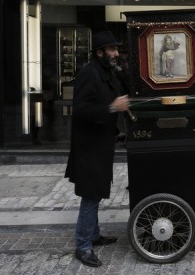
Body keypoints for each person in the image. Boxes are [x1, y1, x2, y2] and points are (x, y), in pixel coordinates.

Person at [64, 31, 130, 267]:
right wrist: (113, 107)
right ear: (99, 52)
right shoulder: (88, 73)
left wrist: (116, 132)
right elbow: (81, 111)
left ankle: (94, 235)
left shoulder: (105, 72)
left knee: (96, 193)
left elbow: (100, 106)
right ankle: (83, 246)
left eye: (116, 49)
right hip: (88, 148)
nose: (116, 53)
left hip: (100, 145)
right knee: (90, 197)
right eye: (111, 50)